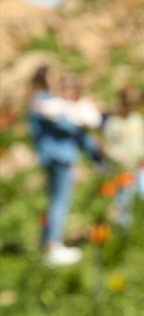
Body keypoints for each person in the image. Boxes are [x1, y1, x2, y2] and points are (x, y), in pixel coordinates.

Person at [27, 68, 102, 267]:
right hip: (58, 155)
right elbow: (65, 125)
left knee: (54, 199)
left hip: (51, 155)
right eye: (52, 77)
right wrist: (77, 118)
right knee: (60, 200)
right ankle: (53, 245)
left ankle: (46, 241)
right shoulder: (43, 101)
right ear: (44, 79)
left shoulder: (44, 100)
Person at [102, 86, 144, 226]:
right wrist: (117, 156)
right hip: (124, 167)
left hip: (141, 164)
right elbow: (108, 146)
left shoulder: (137, 119)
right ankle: (125, 229)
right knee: (124, 200)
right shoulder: (113, 122)